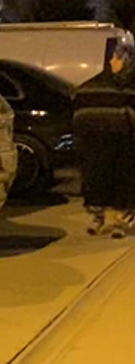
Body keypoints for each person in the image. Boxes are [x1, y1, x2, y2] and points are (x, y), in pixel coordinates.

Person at [75, 39, 135, 238]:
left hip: (125, 143)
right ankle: (98, 217)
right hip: (98, 142)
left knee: (123, 181)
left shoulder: (129, 85)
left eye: (120, 57)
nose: (115, 61)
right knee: (97, 179)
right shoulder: (95, 84)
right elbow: (81, 111)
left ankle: (120, 221)